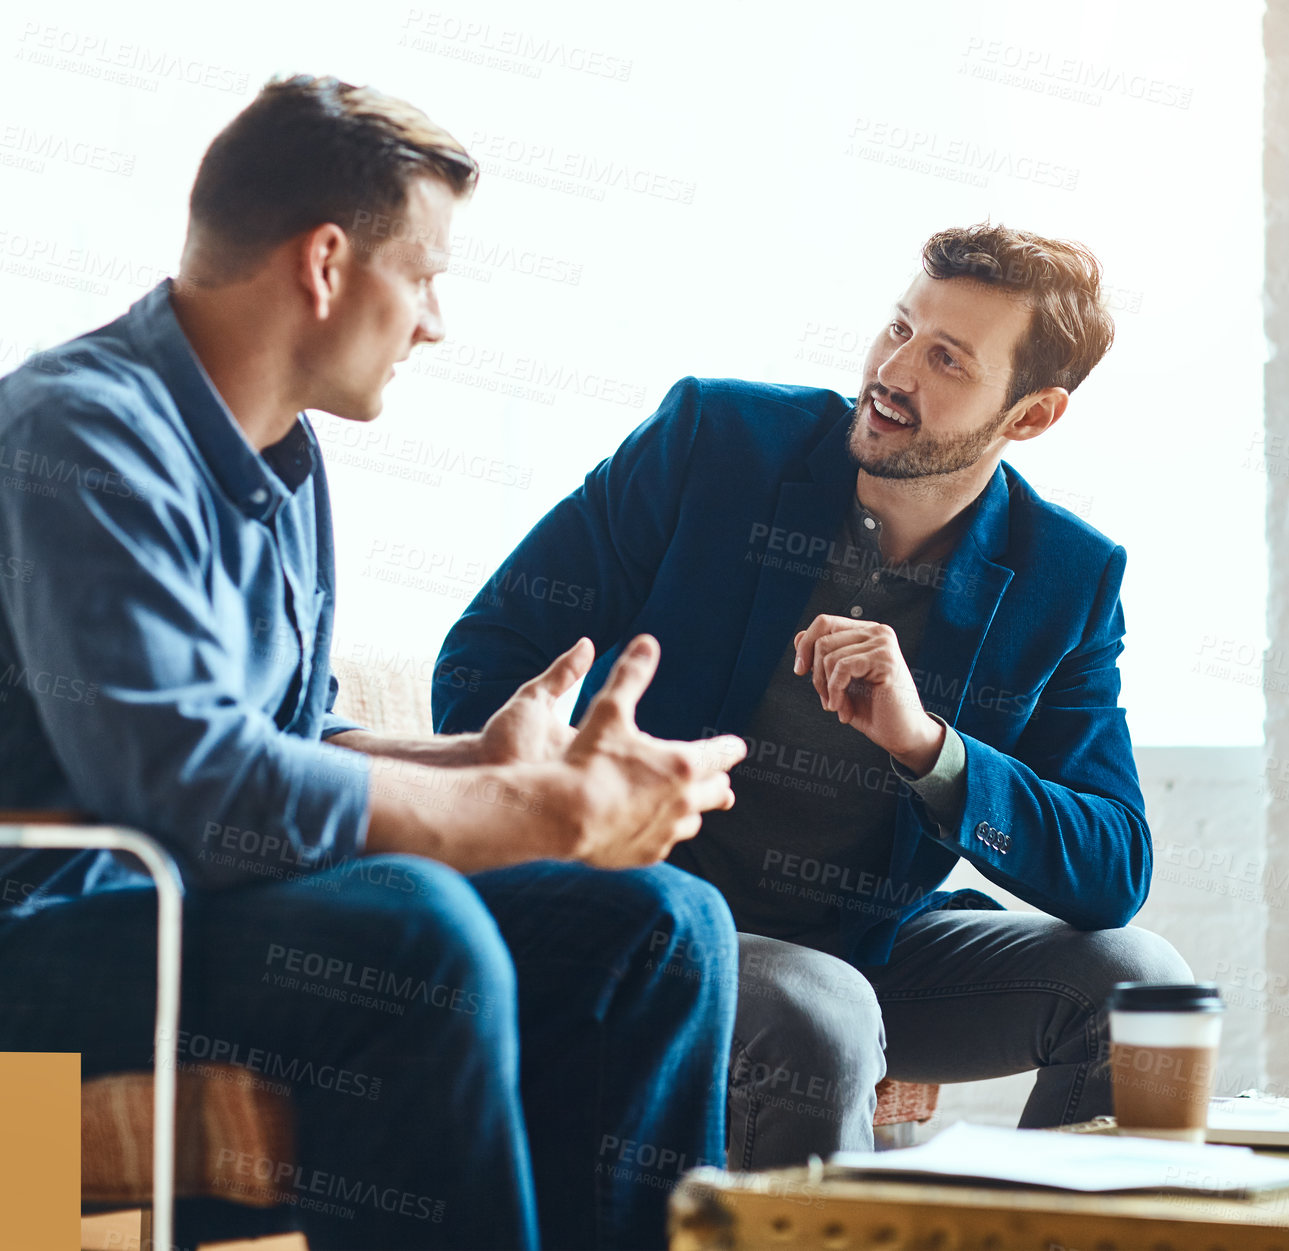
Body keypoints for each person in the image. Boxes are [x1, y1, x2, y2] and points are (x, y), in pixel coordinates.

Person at [0, 75, 746, 1250]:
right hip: (45, 932)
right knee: (410, 932)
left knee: (660, 924)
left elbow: (287, 732)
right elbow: (180, 776)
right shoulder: (78, 432)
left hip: (187, 909)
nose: (435, 323)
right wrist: (524, 812)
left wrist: (467, 760)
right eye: (427, 276)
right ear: (327, 263)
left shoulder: (283, 458)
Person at [434, 224, 1194, 1169]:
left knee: (1142, 987)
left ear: (1030, 416)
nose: (894, 368)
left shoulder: (1066, 577)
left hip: (871, 940)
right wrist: (572, 792)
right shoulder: (713, 443)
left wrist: (930, 748)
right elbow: (485, 655)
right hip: (653, 909)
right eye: (900, 327)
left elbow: (1111, 865)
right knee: (822, 1006)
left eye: (946, 357)